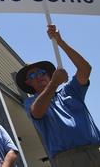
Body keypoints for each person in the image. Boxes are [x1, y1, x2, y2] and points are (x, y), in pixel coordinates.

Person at [15, 25, 100, 166]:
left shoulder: (70, 91)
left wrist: (60, 41)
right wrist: (54, 83)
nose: (39, 76)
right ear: (28, 82)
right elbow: (37, 112)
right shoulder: (31, 102)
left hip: (95, 149)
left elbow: (85, 69)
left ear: (49, 75)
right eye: (33, 75)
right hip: (67, 159)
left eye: (42, 72)